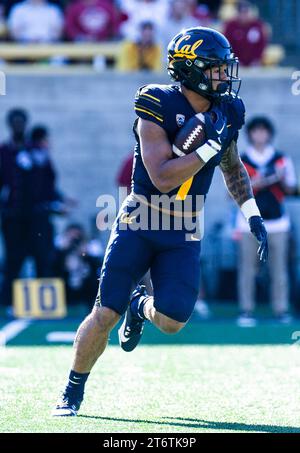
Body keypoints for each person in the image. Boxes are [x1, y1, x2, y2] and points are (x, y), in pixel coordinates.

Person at [52, 26, 268, 416]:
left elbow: (232, 167)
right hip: (140, 222)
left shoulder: (229, 111)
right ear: (190, 69)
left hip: (184, 229)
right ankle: (72, 388)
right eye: (216, 68)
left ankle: (140, 306)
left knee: (172, 320)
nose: (224, 75)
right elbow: (163, 176)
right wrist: (209, 146)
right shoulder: (156, 101)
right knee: (104, 312)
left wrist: (252, 214)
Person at [236, 117, 297, 327]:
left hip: (278, 223)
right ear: (250, 134)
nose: (260, 135)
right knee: (248, 270)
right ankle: (246, 311)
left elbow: (291, 190)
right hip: (249, 225)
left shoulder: (281, 159)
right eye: (256, 131)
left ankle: (281, 310)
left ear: (269, 134)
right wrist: (257, 182)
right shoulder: (241, 160)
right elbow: (232, 193)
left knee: (279, 270)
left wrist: (278, 179)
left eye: (264, 132)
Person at [0, 123, 65, 306]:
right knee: (20, 259)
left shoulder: (36, 156)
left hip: (32, 216)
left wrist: (59, 201)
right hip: (26, 218)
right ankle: (9, 301)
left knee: (38, 258)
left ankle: (40, 303)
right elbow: (36, 189)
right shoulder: (28, 157)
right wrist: (51, 203)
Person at [54, 224, 104, 307]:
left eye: (77, 236)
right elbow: (50, 266)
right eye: (72, 236)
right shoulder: (59, 246)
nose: (75, 239)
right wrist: (61, 252)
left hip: (87, 285)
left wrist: (87, 255)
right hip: (64, 286)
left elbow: (99, 266)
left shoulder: (91, 246)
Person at [223, 0, 268, 66]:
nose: (244, 15)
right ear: (237, 13)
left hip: (254, 63)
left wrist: (257, 59)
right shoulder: (230, 25)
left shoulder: (257, 25)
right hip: (235, 62)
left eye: (246, 12)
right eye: (242, 13)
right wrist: (234, 58)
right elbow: (227, 44)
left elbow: (262, 44)